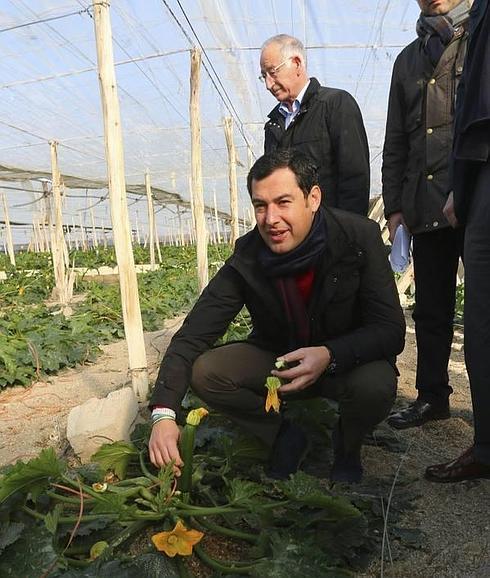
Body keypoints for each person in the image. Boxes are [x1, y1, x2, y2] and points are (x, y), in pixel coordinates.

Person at [149, 150, 405, 484]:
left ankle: (347, 444)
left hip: (343, 362)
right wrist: (163, 413)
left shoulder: (357, 238)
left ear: (312, 198)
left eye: (283, 202)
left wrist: (329, 355)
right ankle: (282, 434)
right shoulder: (249, 255)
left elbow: (390, 330)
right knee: (208, 372)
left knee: (375, 386)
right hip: (280, 360)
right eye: (260, 205)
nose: (271, 219)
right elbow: (194, 334)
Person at [382, 0, 473, 430]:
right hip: (427, 201)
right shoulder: (407, 59)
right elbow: (396, 138)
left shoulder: (479, 38)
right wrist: (395, 206)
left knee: (484, 309)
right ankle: (432, 397)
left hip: (476, 197)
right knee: (431, 308)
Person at [426, 0, 490, 482]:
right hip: (464, 178)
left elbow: (475, 108)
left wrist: (462, 186)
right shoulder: (416, 54)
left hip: (478, 172)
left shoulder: (473, 28)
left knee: (481, 320)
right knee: (442, 310)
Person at [260, 34, 370, 216]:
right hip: (291, 237)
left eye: (272, 72)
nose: (268, 84)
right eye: (263, 76)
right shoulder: (274, 125)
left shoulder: (335, 105)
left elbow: (355, 179)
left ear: (296, 63)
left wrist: (346, 233)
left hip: (328, 232)